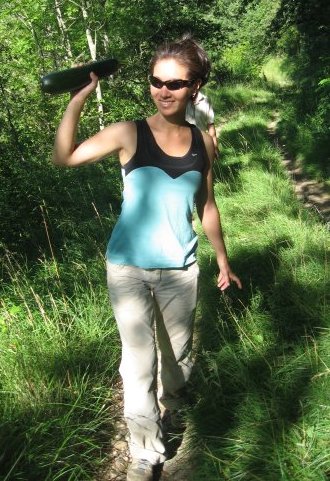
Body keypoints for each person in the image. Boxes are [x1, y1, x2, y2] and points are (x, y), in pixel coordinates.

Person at [52, 35, 242, 480]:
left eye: (175, 84)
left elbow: (207, 207)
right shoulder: (128, 132)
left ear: (195, 87)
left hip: (181, 270)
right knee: (138, 365)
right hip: (128, 268)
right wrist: (78, 98)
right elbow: (64, 158)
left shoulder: (203, 143)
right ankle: (146, 453)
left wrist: (223, 260)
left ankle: (172, 407)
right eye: (157, 81)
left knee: (177, 363)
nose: (164, 90)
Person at [186, 88, 220, 158]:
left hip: (201, 142)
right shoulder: (181, 101)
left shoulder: (206, 100)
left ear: (198, 84)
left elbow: (210, 124)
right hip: (185, 143)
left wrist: (215, 145)